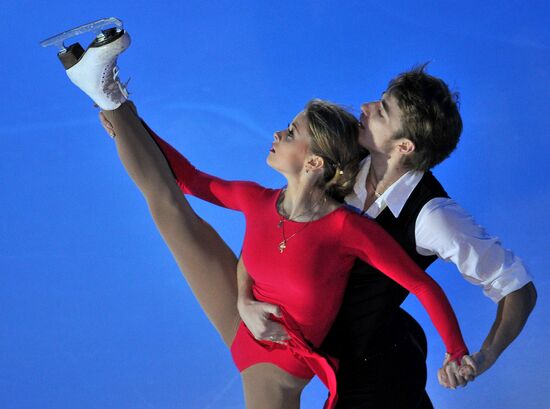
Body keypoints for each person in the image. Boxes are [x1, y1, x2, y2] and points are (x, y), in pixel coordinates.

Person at [60, 32, 474, 409]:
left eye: (291, 132)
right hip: (241, 318)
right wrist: (128, 121)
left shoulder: (348, 229)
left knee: (169, 206)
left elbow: (420, 284)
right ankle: (105, 93)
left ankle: (111, 103)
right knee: (168, 209)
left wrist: (456, 350)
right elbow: (187, 178)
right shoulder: (257, 199)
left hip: (277, 373)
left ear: (313, 162)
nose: (277, 134)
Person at [238, 64, 537, 408]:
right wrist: (243, 300)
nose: (364, 108)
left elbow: (517, 287)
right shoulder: (344, 159)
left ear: (404, 146)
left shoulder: (432, 216)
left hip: (377, 369)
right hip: (329, 353)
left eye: (381, 111)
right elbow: (276, 222)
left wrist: (483, 358)